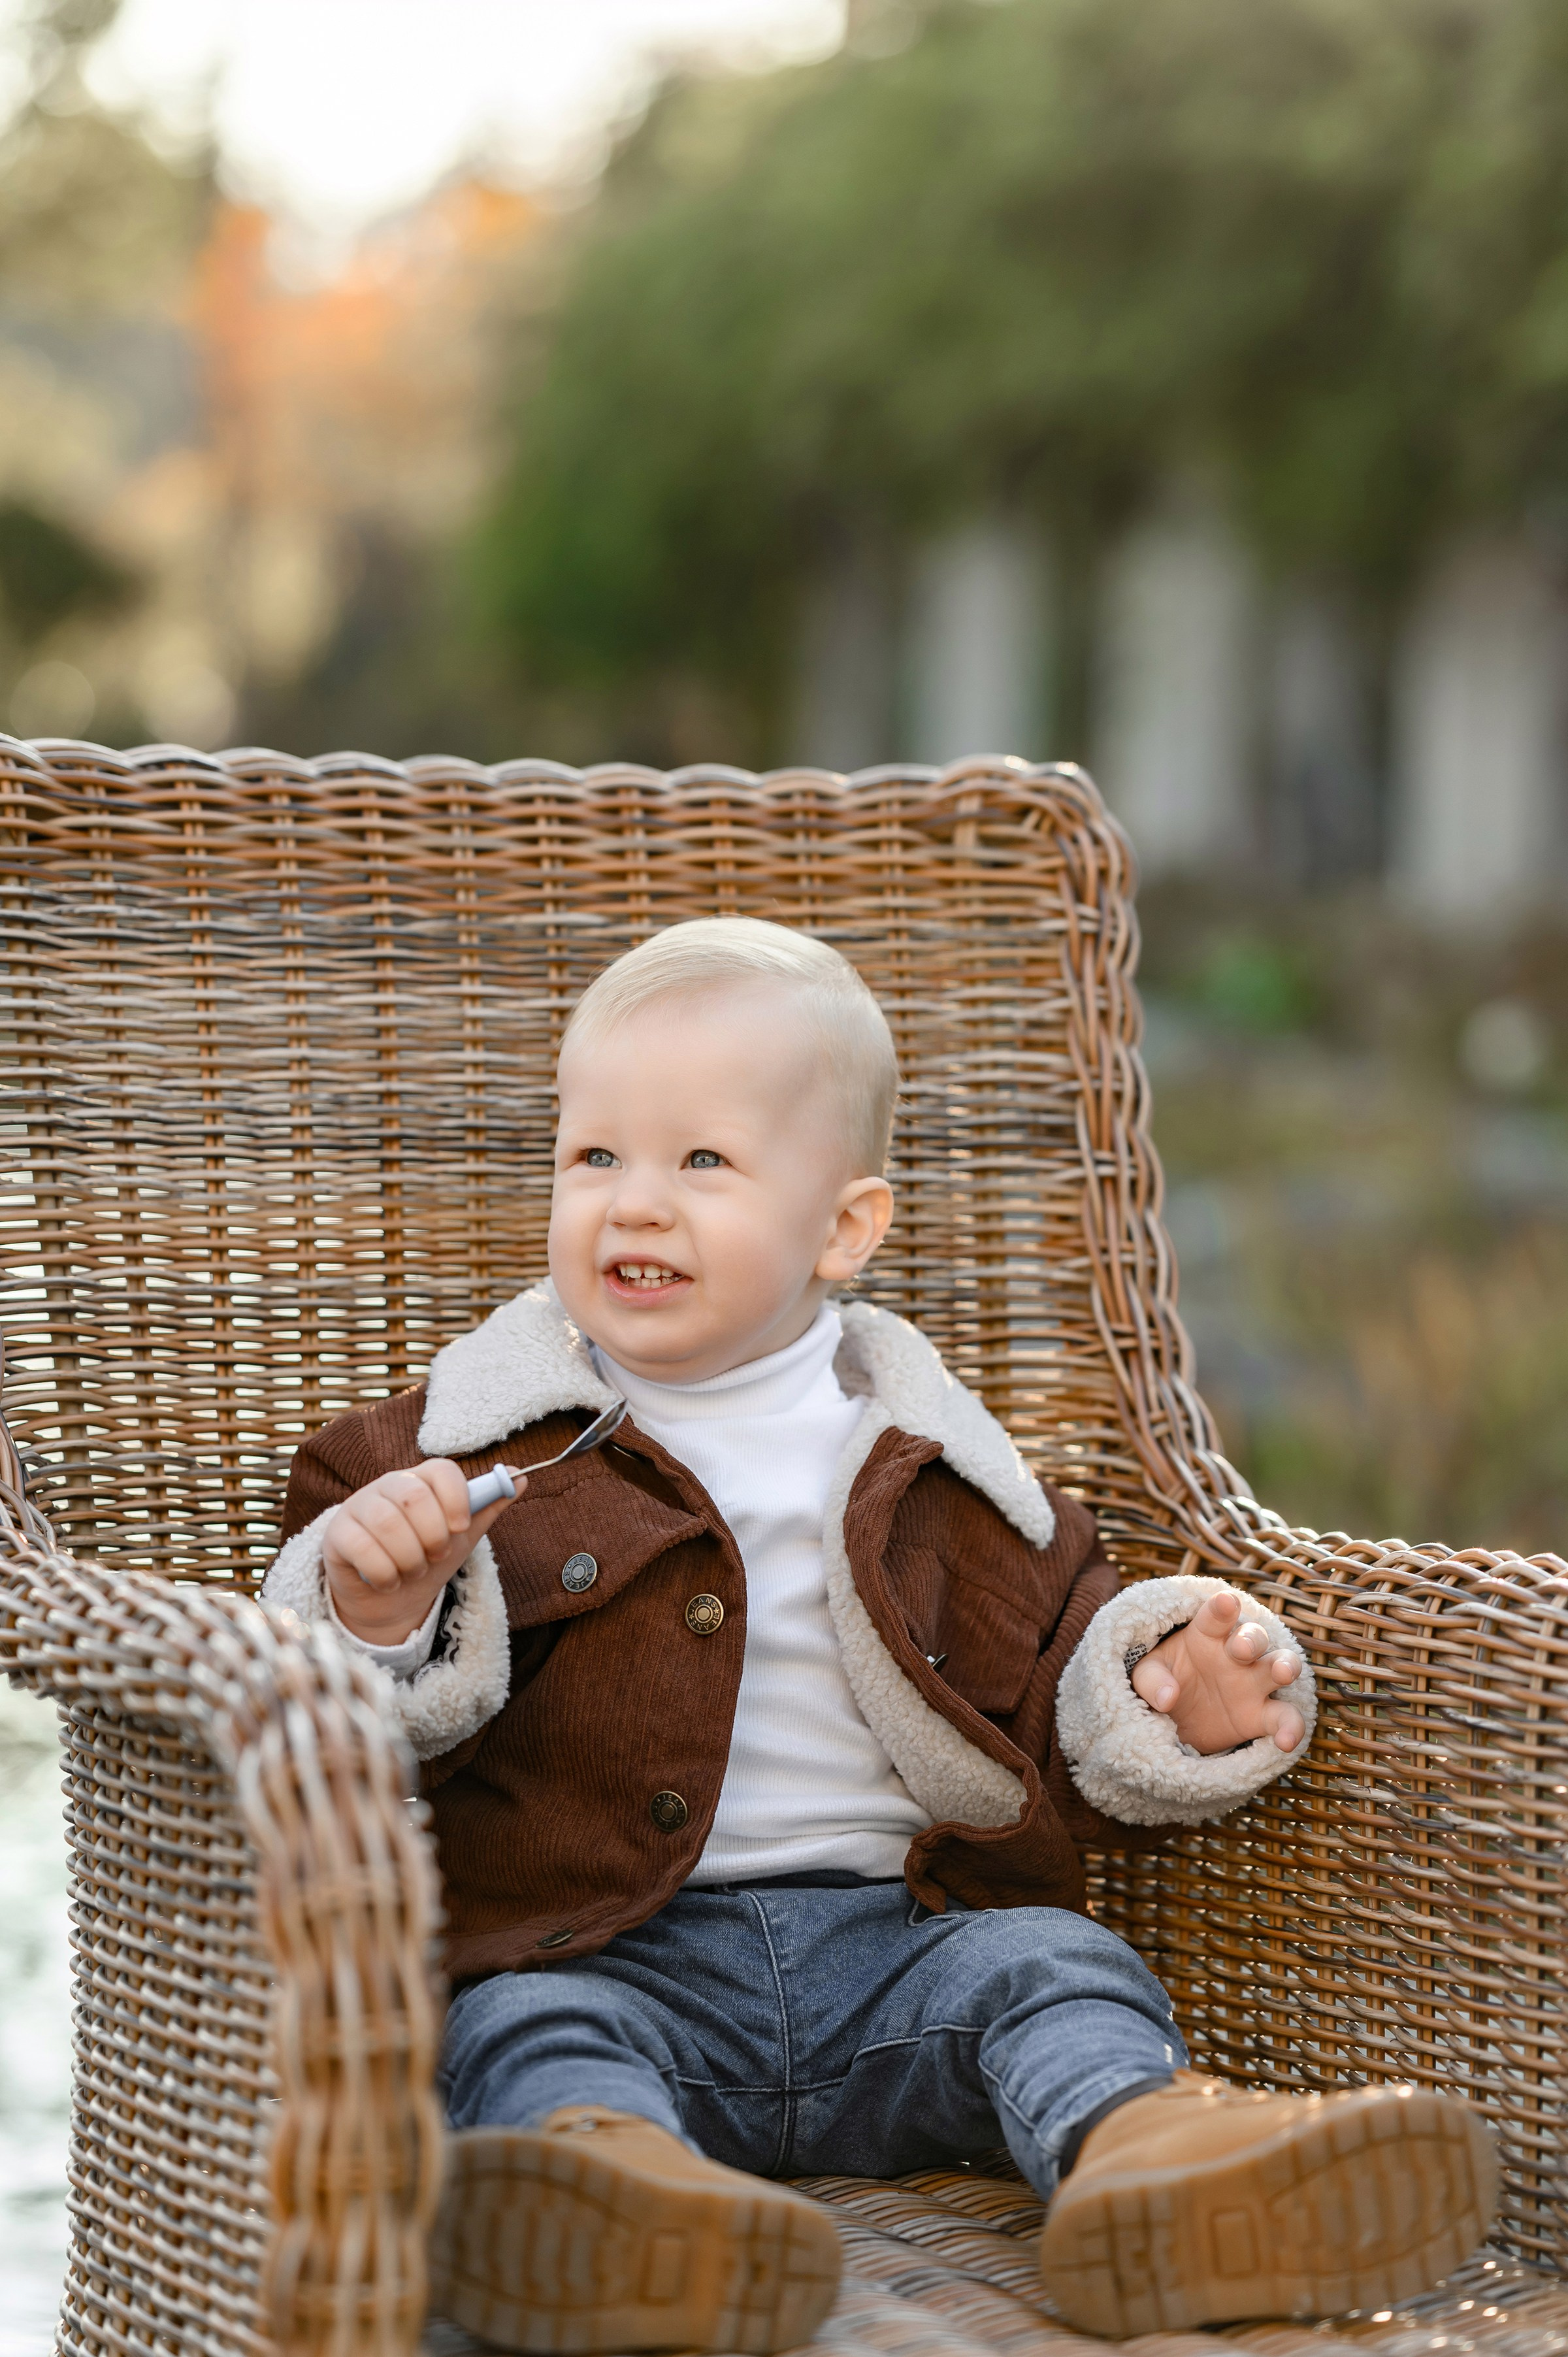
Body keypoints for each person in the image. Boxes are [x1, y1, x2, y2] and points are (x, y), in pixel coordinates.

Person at [265, 919, 1495, 2356]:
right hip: (604, 1953)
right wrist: (377, 1605)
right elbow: (307, 1692)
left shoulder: (942, 1469)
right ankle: (617, 2208)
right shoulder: (459, 1451)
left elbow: (1061, 1691)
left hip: (899, 1960)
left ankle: (1149, 2159)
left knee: (1054, 1966)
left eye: (702, 1161)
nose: (634, 1204)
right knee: (516, 2031)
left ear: (845, 1229)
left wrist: (1168, 1691)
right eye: (593, 1156)